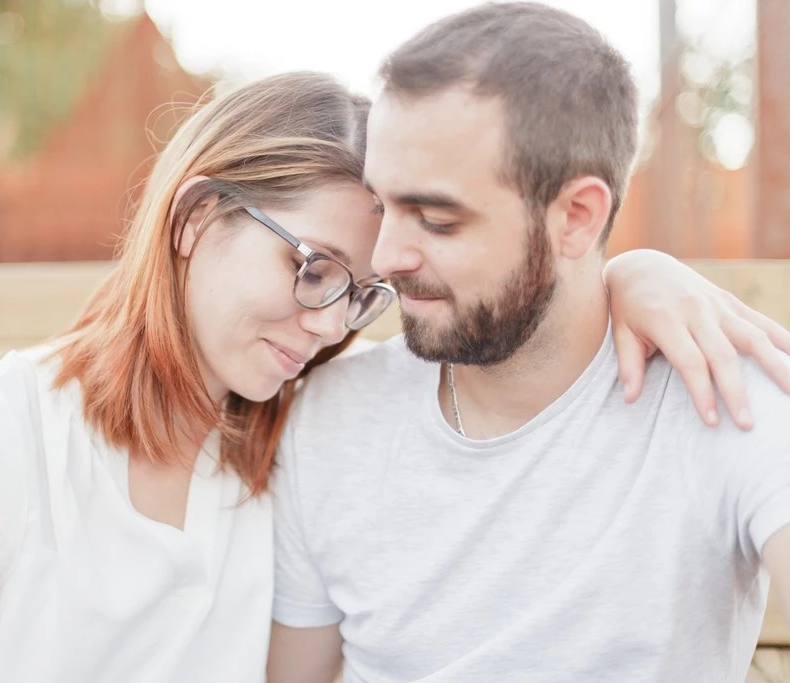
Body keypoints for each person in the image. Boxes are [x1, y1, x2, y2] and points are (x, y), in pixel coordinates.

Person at [0, 69, 787, 682]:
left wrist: (633, 271)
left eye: (359, 294)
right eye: (310, 268)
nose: (325, 325)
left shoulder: (292, 438)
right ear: (195, 220)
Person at [266, 5, 790, 683]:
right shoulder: (333, 415)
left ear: (576, 218)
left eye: (435, 219)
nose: (388, 256)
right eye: (382, 206)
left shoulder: (720, 387)